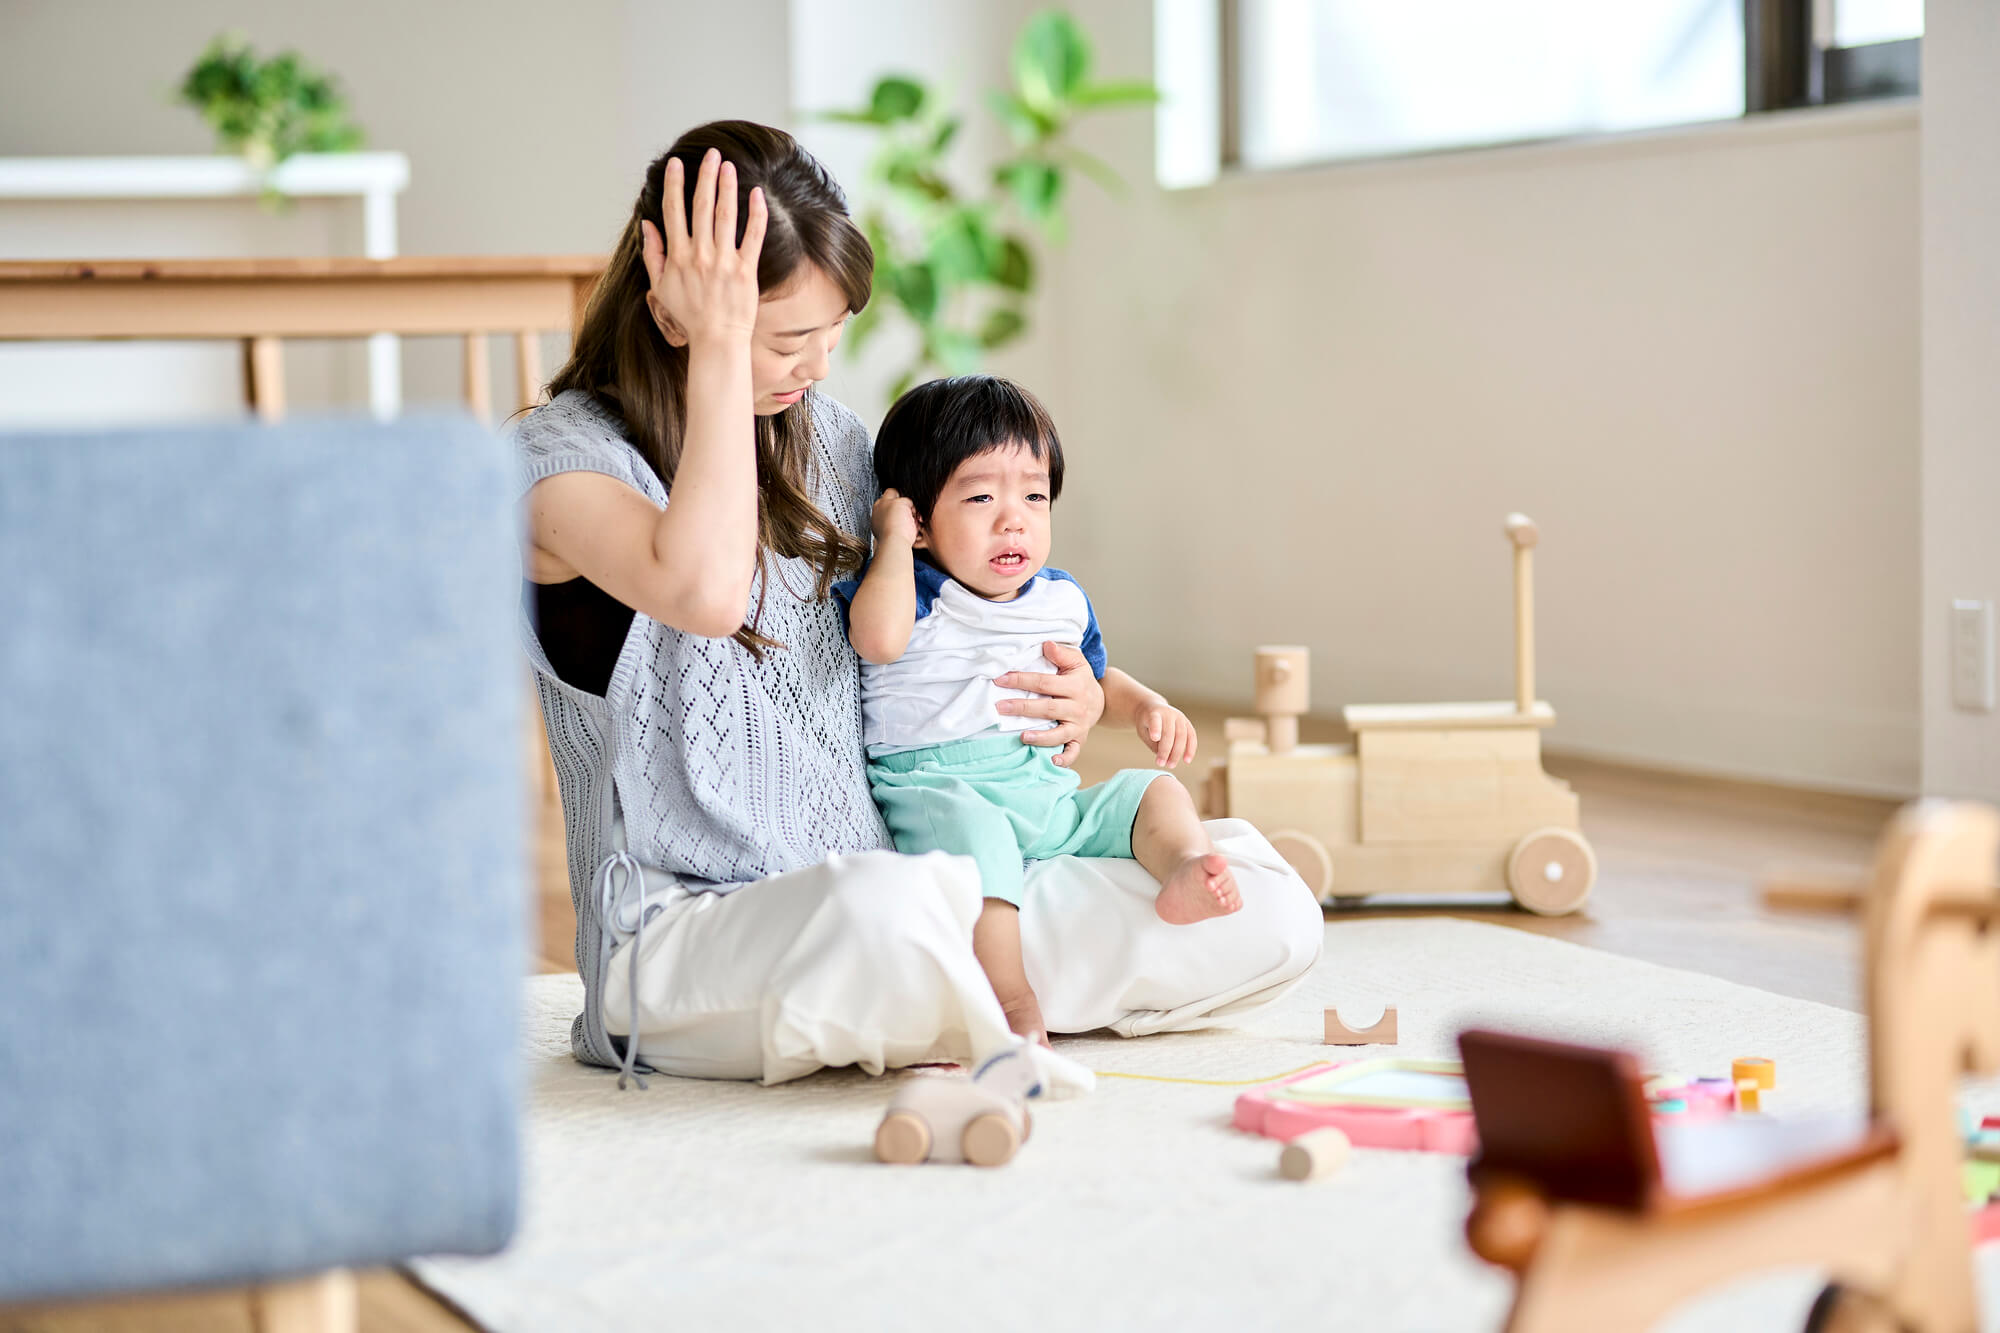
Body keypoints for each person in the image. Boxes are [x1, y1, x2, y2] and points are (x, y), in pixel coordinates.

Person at [514, 119, 1322, 1092]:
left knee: (1260, 897)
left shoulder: (830, 442)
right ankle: (964, 998)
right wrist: (721, 351)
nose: (816, 368)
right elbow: (705, 590)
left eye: (831, 334)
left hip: (922, 874)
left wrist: (1071, 695)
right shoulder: (554, 464)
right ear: (679, 310)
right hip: (693, 937)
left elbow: (952, 612)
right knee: (878, 918)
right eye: (786, 339)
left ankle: (972, 1000)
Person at [837, 375, 1242, 1046]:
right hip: (942, 788)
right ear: (917, 519)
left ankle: (1185, 871)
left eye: (1033, 495)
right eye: (979, 497)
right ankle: (1011, 997)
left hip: (1045, 793)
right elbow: (875, 640)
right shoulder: (912, 590)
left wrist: (1145, 706)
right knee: (983, 839)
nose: (1013, 518)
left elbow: (1096, 680)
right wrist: (890, 547)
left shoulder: (1057, 599)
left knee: (1154, 791)